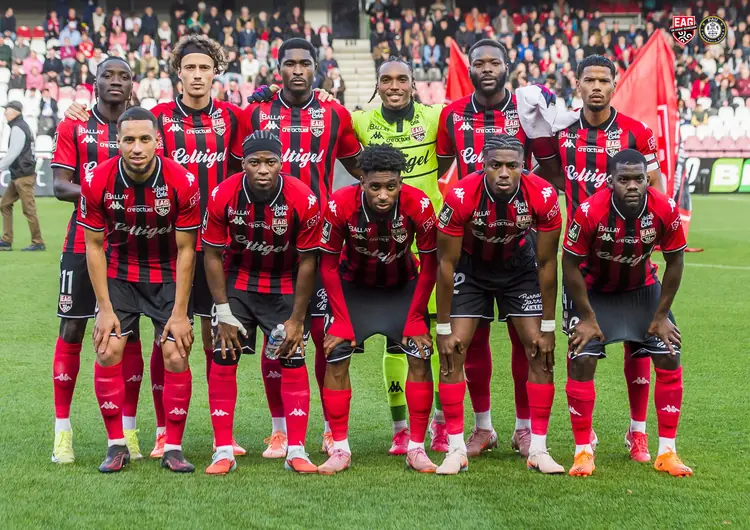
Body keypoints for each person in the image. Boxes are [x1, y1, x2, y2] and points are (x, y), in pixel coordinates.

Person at [65, 34, 247, 458]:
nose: (197, 75)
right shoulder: (158, 117)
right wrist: (78, 110)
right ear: (177, 72)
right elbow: (120, 118)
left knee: (209, 338)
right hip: (151, 252)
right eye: (190, 68)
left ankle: (221, 435)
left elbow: (262, 137)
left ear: (216, 73)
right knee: (149, 343)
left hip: (209, 246)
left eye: (205, 68)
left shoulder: (234, 117)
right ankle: (157, 432)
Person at [435, 39, 558, 459]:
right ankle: (482, 427)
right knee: (471, 342)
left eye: (495, 62)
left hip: (518, 246)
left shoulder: (527, 109)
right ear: (469, 68)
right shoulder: (452, 115)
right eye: (479, 63)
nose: (486, 69)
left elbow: (551, 169)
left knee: (527, 342)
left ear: (508, 66)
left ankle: (525, 430)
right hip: (469, 245)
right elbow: (440, 167)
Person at [242, 37, 362, 459]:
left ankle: (330, 429)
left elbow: (360, 168)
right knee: (277, 337)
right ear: (278, 69)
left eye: (304, 63)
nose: (297, 70)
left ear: (316, 67)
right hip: (269, 246)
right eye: (289, 63)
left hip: (322, 243)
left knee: (325, 337)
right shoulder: (256, 112)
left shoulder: (334, 114)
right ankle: (279, 431)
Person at [543, 55, 663, 463]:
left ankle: (638, 433)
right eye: (589, 80)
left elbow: (655, 185)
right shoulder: (562, 132)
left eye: (603, 80)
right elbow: (549, 176)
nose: (596, 87)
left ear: (615, 85)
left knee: (640, 345)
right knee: (581, 346)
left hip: (630, 257)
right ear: (577, 84)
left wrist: (650, 236)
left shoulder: (636, 132)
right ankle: (584, 435)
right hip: (583, 263)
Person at [79, 106, 200, 473]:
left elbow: (187, 250)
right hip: (120, 274)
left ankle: (173, 447)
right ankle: (117, 445)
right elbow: (94, 246)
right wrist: (104, 309)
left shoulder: (182, 180)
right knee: (108, 349)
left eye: (144, 139)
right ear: (117, 142)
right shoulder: (96, 180)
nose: (136, 147)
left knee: (176, 354)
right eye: (128, 140)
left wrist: (180, 313)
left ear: (157, 142)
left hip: (167, 275)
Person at [562, 149, 691, 478]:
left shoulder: (664, 208)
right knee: (581, 358)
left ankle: (666, 451)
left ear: (648, 180)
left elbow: (676, 261)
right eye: (624, 179)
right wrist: (587, 317)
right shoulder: (590, 211)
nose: (632, 185)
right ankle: (582, 451)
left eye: (639, 179)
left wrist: (661, 316)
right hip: (593, 291)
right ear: (610, 181)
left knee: (669, 354)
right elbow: (570, 264)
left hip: (641, 288)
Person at [202, 131, 321, 475]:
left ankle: (296, 450)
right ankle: (223, 450)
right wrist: (223, 310)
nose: (263, 169)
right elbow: (211, 254)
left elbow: (308, 261)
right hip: (239, 283)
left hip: (285, 283)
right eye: (255, 162)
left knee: (293, 358)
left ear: (282, 163)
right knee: (224, 357)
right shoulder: (223, 194)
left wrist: (298, 319)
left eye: (270, 162)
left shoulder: (303, 198)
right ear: (244, 164)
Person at [318, 144, 438, 474]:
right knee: (336, 356)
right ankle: (340, 448)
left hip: (402, 289)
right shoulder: (340, 204)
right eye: (375, 187)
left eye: (391, 186)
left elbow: (431, 265)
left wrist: (416, 316)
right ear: (361, 181)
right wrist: (341, 320)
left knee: (420, 355)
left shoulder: (419, 204)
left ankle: (416, 448)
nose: (383, 195)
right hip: (353, 291)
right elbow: (327, 265)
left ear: (401, 182)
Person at [49, 58, 147, 465]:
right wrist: (106, 194)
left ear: (132, 86)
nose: (115, 82)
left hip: (130, 244)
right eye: (108, 75)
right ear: (94, 82)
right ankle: (63, 432)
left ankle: (129, 430)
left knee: (129, 333)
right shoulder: (74, 125)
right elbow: (59, 185)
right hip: (81, 241)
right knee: (72, 328)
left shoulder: (143, 126)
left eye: (124, 76)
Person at [351, 57, 446, 454]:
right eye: (386, 79)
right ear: (377, 85)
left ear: (413, 84)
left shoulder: (436, 117)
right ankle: (400, 427)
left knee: (433, 334)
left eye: (402, 79)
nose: (394, 86)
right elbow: (329, 123)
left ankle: (440, 423)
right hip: (385, 244)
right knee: (395, 339)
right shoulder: (361, 121)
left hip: (430, 239)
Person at [0, 101, 44, 251]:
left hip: (23, 175)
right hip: (19, 174)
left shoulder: (17, 127)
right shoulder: (22, 126)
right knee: (5, 204)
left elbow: (13, 153)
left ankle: (38, 242)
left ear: (15, 111)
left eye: (7, 109)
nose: (5, 112)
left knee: (28, 209)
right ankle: (6, 240)